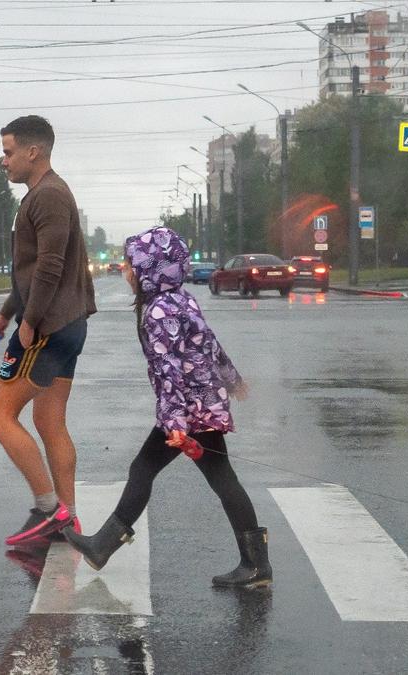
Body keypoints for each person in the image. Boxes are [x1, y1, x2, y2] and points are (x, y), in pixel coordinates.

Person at [63, 226, 272, 590]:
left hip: (187, 411)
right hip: (202, 406)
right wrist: (233, 381)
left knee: (144, 467)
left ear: (150, 269)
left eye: (131, 265)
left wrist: (175, 423)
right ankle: (256, 565)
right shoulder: (182, 299)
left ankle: (101, 546)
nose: (127, 271)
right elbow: (211, 346)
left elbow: (168, 369)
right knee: (221, 478)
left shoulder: (159, 311)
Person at [0, 115, 96, 548]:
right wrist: (5, 314)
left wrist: (27, 324)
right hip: (66, 324)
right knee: (49, 422)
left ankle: (49, 508)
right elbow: (31, 271)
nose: (3, 160)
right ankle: (68, 521)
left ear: (34, 152)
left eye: (8, 151)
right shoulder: (45, 193)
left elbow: (49, 267)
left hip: (47, 327)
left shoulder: (47, 196)